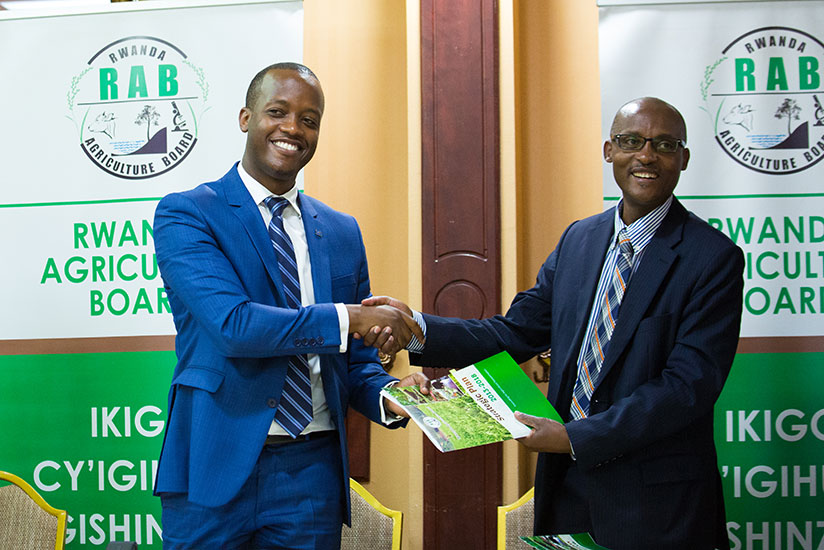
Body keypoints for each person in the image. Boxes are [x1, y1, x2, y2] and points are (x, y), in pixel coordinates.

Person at [363, 97, 744, 550]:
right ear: (609, 151)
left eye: (663, 144)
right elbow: (515, 332)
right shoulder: (579, 240)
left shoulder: (713, 258)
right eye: (630, 141)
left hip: (657, 506)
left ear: (683, 158)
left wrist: (575, 437)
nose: (646, 155)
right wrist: (418, 328)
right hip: (568, 491)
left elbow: (687, 388)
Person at [152, 62, 428, 550]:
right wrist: (352, 317)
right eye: (277, 112)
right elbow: (234, 326)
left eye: (309, 119)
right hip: (213, 464)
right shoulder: (190, 213)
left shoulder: (342, 232)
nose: (292, 129)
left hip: (311, 474)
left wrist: (394, 395)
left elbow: (356, 362)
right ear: (245, 117)